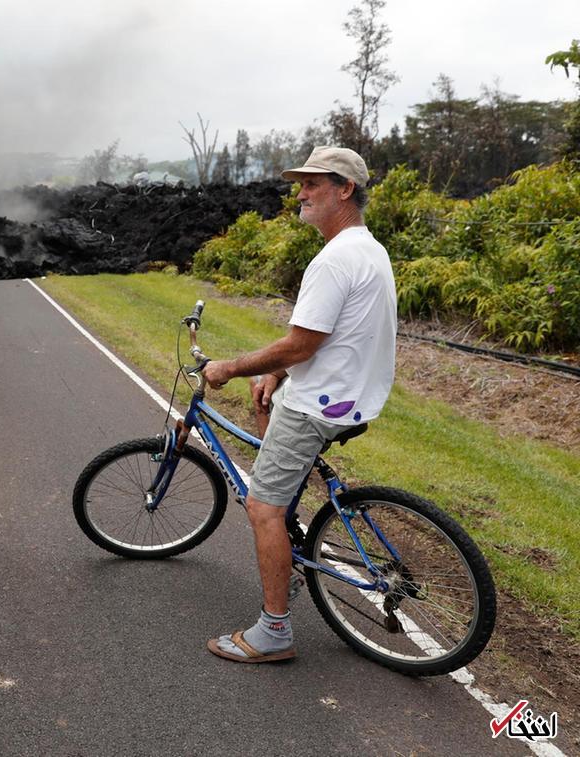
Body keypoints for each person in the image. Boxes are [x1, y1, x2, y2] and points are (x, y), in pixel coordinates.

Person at [200, 146, 397, 664]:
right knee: (267, 414)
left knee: (261, 505)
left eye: (313, 184)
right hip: (350, 392)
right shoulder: (367, 248)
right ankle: (286, 550)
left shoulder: (334, 260)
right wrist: (274, 372)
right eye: (300, 184)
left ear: (345, 189)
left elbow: (301, 343)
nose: (301, 193)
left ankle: (274, 632)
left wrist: (228, 367)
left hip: (318, 403)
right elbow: (330, 337)